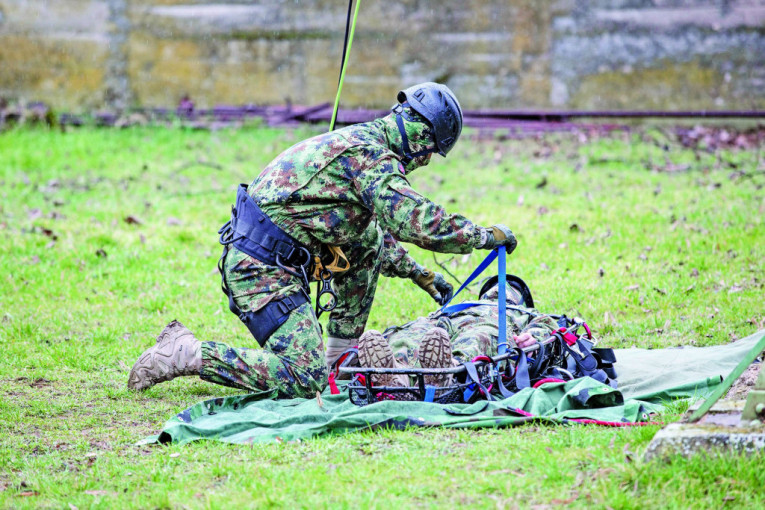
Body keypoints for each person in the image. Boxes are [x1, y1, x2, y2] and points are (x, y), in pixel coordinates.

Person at [127, 82, 518, 399]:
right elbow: (416, 221)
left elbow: (374, 237)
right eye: (429, 152)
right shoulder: (371, 157)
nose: (426, 161)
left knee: (366, 241)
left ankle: (338, 361)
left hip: (278, 260)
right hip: (259, 270)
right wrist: (485, 236)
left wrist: (421, 275)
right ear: (420, 136)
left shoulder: (364, 143)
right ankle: (189, 353)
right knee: (305, 379)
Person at [354, 275, 558, 387]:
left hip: (494, 326)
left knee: (478, 339)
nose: (499, 289)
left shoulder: (524, 313)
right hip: (449, 322)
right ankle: (397, 375)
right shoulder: (467, 304)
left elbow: (548, 325)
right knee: (415, 332)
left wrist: (533, 337)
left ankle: (448, 374)